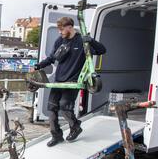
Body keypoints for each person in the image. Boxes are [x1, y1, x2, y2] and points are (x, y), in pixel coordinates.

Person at [31, 17, 106, 147]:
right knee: (52, 108)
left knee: (65, 106)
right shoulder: (60, 40)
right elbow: (51, 58)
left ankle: (75, 126)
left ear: (70, 27)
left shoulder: (82, 41)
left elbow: (102, 51)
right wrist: (38, 66)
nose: (60, 32)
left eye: (61, 29)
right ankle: (56, 136)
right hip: (59, 80)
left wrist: (91, 41)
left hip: (73, 81)